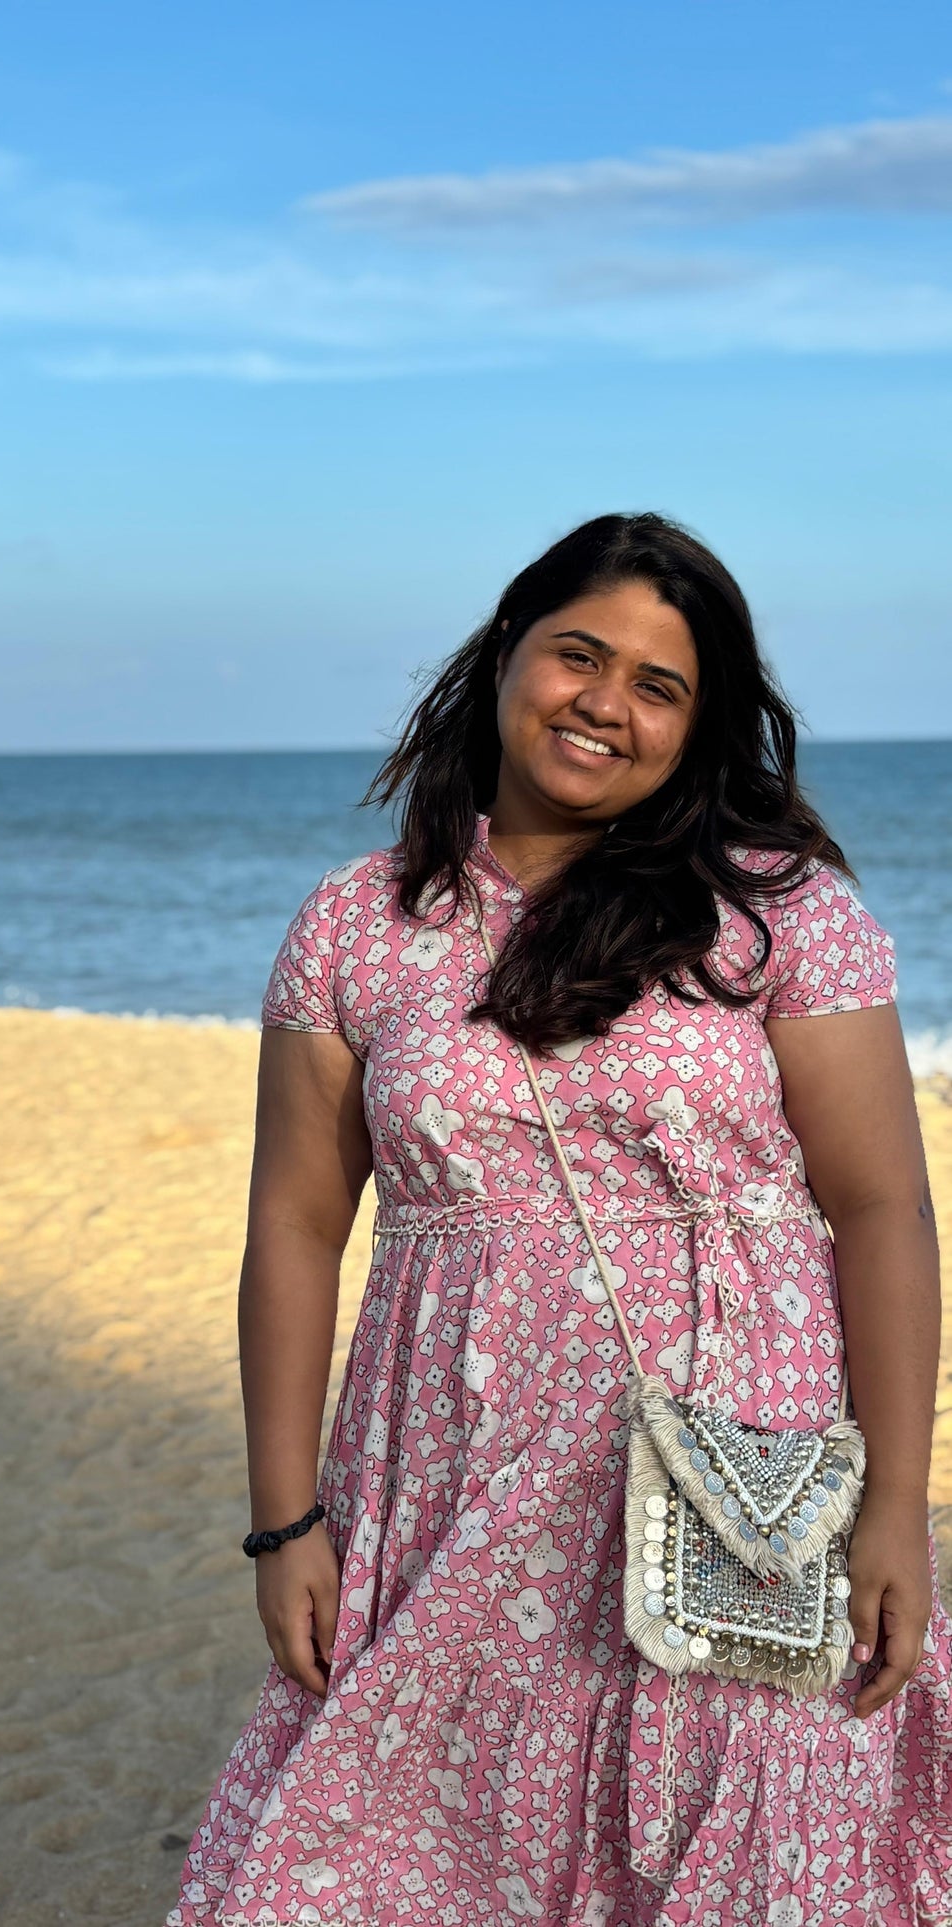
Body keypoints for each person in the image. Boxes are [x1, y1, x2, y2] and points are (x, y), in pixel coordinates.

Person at [167, 513, 951, 1927]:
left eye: (658, 686)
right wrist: (283, 1522)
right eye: (577, 655)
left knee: (739, 1827)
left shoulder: (776, 913)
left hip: (737, 1461)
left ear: (696, 731)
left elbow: (880, 1204)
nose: (605, 703)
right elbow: (293, 1223)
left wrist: (894, 1506)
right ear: (503, 656)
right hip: (446, 1464)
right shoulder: (357, 924)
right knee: (412, 1842)